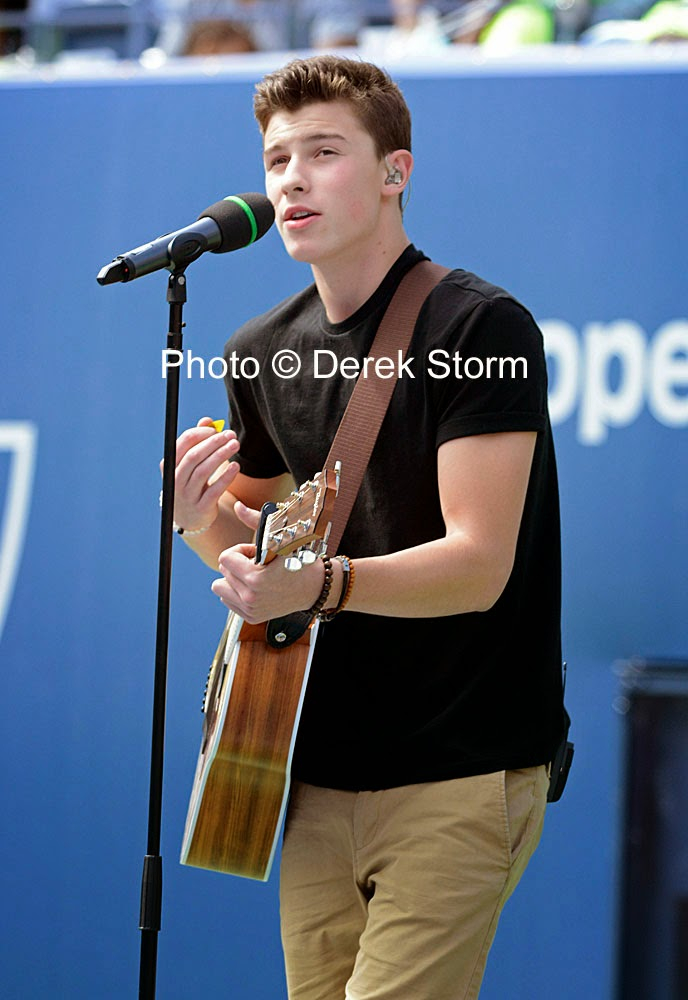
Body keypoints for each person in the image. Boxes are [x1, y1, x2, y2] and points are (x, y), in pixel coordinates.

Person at [170, 54, 565, 1000]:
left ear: (396, 172)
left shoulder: (482, 330)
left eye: (325, 151)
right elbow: (264, 556)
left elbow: (478, 566)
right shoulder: (254, 352)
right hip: (304, 777)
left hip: (458, 769)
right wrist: (197, 524)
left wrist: (324, 586)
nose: (292, 178)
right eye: (276, 160)